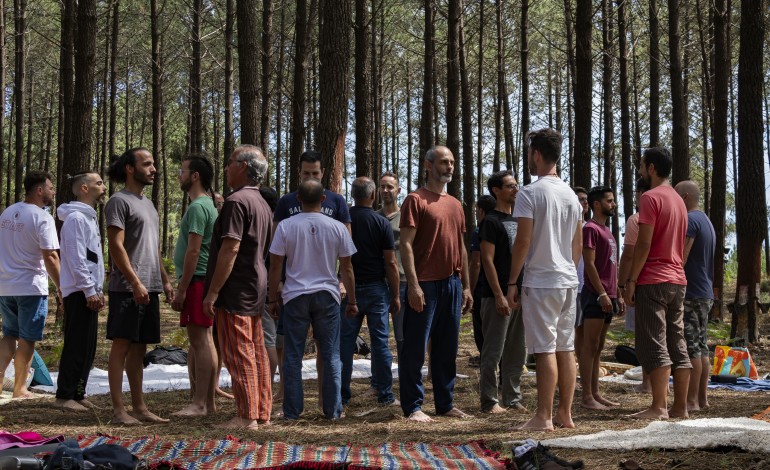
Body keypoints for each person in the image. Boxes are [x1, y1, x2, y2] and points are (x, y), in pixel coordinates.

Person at [506, 128, 582, 431]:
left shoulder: (529, 193)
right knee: (566, 348)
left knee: (545, 349)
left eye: (529, 154)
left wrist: (513, 280)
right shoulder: (571, 196)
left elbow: (522, 242)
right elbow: (577, 245)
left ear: (536, 154)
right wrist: (569, 269)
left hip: (541, 280)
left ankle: (544, 416)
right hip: (567, 280)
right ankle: (565, 414)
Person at [268, 178, 357, 420]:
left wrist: (271, 298)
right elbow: (347, 268)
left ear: (298, 199)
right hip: (327, 295)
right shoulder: (338, 227)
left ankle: (292, 411)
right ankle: (333, 410)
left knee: (293, 354)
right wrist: (353, 301)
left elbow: (275, 265)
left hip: (295, 296)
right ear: (323, 199)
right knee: (330, 354)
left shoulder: (286, 226)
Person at [399, 145, 473, 423]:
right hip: (425, 285)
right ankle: (413, 406)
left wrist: (466, 285)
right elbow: (405, 244)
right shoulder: (415, 200)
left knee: (447, 348)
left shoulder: (455, 204)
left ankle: (445, 403)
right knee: (416, 348)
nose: (450, 167)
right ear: (428, 165)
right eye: (444, 162)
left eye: (452, 162)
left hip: (452, 284)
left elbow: (462, 248)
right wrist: (414, 285)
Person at [203, 145, 272, 430]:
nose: (227, 167)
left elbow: (230, 249)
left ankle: (246, 417)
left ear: (243, 166)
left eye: (230, 162)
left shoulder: (236, 202)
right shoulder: (262, 203)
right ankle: (261, 412)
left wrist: (213, 292)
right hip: (254, 287)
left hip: (236, 290)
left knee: (238, 353)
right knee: (255, 351)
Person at [105, 148, 174, 424]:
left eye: (154, 164)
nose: (153, 169)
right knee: (121, 346)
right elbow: (115, 245)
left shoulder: (148, 203)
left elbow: (153, 248)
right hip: (126, 287)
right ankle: (119, 410)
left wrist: (165, 280)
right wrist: (134, 281)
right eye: (147, 164)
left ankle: (140, 407)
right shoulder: (118, 201)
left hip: (150, 286)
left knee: (139, 348)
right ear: (130, 169)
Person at [623, 147, 691, 420]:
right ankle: (680, 407)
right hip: (678, 279)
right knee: (678, 343)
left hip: (653, 279)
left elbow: (644, 243)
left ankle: (658, 407)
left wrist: (631, 280)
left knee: (654, 344)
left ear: (651, 168)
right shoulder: (679, 200)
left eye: (641, 165)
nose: (640, 170)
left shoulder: (650, 198)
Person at [0, 171, 61, 399]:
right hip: (30, 287)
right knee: (27, 339)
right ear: (39, 190)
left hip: (5, 287)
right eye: (51, 187)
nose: (53, 191)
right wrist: (62, 287)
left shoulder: (7, 213)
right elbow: (51, 257)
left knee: (8, 335)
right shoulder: (42, 217)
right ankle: (19, 389)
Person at [340, 177, 400, 407]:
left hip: (349, 289)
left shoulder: (343, 221)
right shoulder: (381, 222)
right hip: (376, 289)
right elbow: (391, 263)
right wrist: (394, 295)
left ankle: (342, 396)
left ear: (353, 195)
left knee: (345, 345)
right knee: (380, 343)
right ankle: (385, 395)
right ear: (373, 195)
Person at [170, 155, 219, 417]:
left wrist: (183, 287)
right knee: (206, 341)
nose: (179, 175)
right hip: (199, 280)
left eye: (182, 170)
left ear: (195, 176)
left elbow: (193, 250)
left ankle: (200, 403)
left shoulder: (199, 207)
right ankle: (208, 403)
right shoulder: (206, 205)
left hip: (197, 280)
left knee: (200, 342)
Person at [54, 172, 106, 411]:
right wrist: (88, 289)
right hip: (78, 290)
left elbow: (92, 257)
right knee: (76, 342)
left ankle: (78, 391)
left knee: (88, 345)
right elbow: (75, 258)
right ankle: (64, 395)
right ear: (84, 188)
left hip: (89, 289)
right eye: (99, 183)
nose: (103, 186)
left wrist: (98, 288)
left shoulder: (89, 218)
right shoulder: (75, 218)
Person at [477, 170, 527, 414]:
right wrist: (498, 295)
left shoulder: (520, 219)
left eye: (516, 185)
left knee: (517, 349)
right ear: (496, 190)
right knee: (493, 350)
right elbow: (487, 260)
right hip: (496, 294)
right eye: (509, 186)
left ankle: (512, 398)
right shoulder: (491, 221)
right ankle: (489, 401)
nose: (515, 189)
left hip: (520, 294)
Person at [578, 186, 624, 410]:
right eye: (609, 200)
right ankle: (586, 396)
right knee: (590, 345)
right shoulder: (590, 229)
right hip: (595, 295)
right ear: (597, 204)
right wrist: (603, 293)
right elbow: (589, 264)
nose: (613, 204)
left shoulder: (608, 231)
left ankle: (596, 393)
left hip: (610, 295)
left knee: (599, 347)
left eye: (613, 201)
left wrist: (618, 294)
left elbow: (612, 266)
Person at [675, 180, 715, 412]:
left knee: (692, 348)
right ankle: (702, 399)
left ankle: (691, 401)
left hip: (692, 292)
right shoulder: (706, 221)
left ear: (686, 197)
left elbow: (682, 257)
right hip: (705, 291)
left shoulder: (690, 221)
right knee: (701, 346)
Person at [376, 172, 405, 358]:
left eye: (390, 187)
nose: (386, 190)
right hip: (377, 283)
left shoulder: (406, 218)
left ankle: (406, 379)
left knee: (403, 336)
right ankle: (379, 382)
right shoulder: (373, 217)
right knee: (379, 337)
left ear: (398, 191)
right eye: (382, 187)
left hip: (402, 282)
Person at [258, 186, 281, 395]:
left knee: (269, 340)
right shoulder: (277, 223)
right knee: (274, 338)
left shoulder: (269, 224)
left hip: (267, 288)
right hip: (276, 287)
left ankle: (267, 387)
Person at [469, 195, 497, 367]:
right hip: (503, 286)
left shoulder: (479, 231)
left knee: (482, 330)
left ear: (480, 210)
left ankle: (487, 364)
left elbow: (476, 263)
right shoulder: (504, 225)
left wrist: (470, 291)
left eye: (475, 210)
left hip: (483, 288)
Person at [573, 186, 589, 368]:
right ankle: (573, 363)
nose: (584, 203)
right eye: (580, 199)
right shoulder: (569, 227)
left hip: (589, 286)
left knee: (584, 329)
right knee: (572, 328)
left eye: (585, 199)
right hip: (575, 284)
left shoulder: (591, 226)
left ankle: (581, 363)